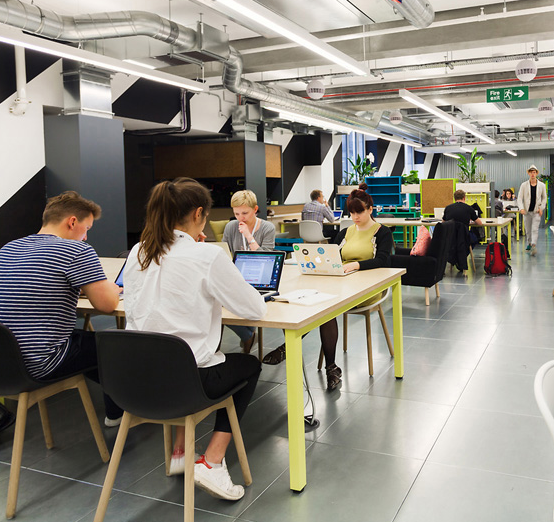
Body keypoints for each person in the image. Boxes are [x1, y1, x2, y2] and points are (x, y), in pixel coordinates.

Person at [123, 178, 266, 501]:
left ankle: (180, 452)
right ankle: (212, 461)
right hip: (186, 384)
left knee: (172, 354)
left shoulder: (138, 251)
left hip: (136, 382)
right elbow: (254, 309)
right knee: (249, 365)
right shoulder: (207, 256)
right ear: (199, 213)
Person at [0, 191, 123, 424]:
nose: (85, 237)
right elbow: (107, 305)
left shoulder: (9, 248)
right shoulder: (76, 251)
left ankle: (117, 406)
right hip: (37, 364)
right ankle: (118, 414)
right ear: (72, 222)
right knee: (113, 346)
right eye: (86, 228)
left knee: (88, 344)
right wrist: (113, 290)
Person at [261, 189, 393, 392]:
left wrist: (356, 265)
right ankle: (330, 367)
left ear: (370, 209)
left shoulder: (382, 233)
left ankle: (295, 350)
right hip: (342, 283)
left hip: (367, 288)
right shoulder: (346, 232)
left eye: (359, 212)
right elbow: (331, 254)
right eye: (352, 213)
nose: (355, 217)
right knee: (315, 301)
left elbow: (383, 260)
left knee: (327, 308)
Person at [221, 190, 275, 352]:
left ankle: (248, 337)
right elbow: (225, 253)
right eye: (236, 214)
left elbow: (267, 258)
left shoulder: (267, 228)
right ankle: (248, 336)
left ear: (255, 209)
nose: (240, 218)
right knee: (217, 308)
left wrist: (249, 237)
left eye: (245, 213)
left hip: (260, 278)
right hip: (236, 278)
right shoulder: (231, 227)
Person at [517, 164, 547, 255]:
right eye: (531, 172)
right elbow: (519, 198)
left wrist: (541, 208)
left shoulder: (541, 185)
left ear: (536, 173)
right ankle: (529, 243)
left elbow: (544, 198)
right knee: (528, 229)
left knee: (534, 229)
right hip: (526, 211)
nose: (533, 174)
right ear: (528, 173)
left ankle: (533, 245)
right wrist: (521, 208)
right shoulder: (524, 185)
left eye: (534, 172)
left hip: (536, 211)